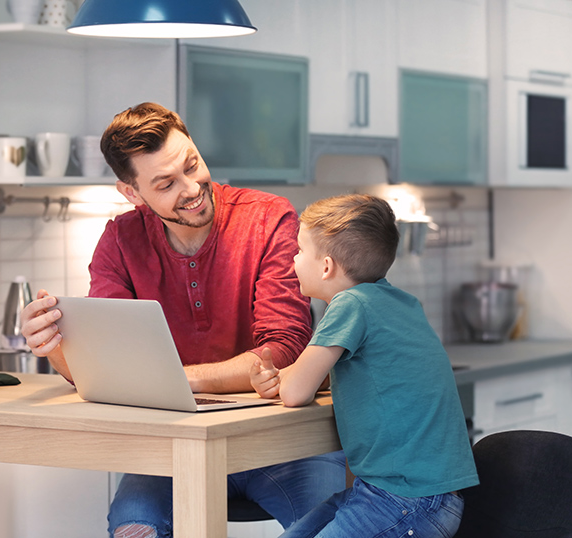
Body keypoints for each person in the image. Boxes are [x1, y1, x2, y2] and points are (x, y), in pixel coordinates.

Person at [21, 102, 347, 538]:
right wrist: (54, 347)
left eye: (192, 165)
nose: (192, 187)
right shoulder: (120, 240)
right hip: (174, 447)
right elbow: (110, 369)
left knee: (334, 527)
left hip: (280, 443)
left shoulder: (269, 218)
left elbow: (284, 347)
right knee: (133, 528)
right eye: (166, 183)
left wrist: (175, 380)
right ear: (133, 194)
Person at [250, 193, 479, 538]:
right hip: (410, 497)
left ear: (326, 266)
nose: (292, 261)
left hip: (406, 500)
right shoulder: (398, 302)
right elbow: (337, 376)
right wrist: (280, 377)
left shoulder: (349, 305)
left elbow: (296, 392)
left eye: (298, 251)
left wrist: (284, 381)